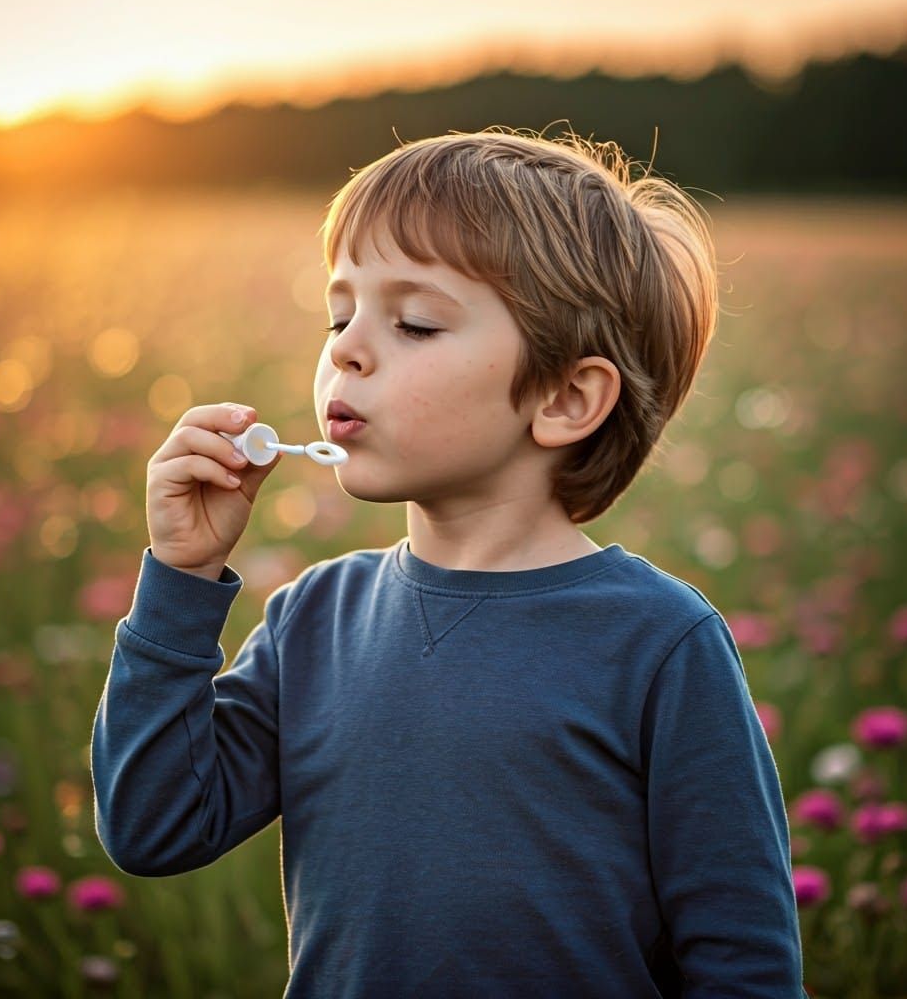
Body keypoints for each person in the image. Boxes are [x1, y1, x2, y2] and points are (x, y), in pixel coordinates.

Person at [91, 128, 807, 997]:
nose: (347, 348)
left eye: (416, 322)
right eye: (339, 314)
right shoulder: (313, 621)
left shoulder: (658, 643)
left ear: (565, 398)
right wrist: (181, 575)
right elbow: (155, 825)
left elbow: (745, 965)